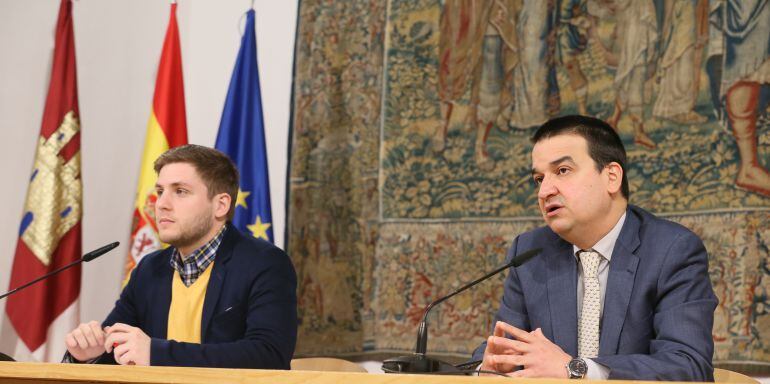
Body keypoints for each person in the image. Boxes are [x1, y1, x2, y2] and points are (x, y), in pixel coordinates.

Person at [472, 115, 717, 380]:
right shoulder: (531, 252)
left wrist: (575, 369)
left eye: (562, 171)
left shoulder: (672, 250)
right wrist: (487, 368)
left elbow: (688, 366)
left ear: (611, 176)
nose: (544, 191)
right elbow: (499, 349)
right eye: (539, 178)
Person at [63, 145, 297, 369]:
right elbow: (119, 352)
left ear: (221, 205)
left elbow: (269, 355)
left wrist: (156, 353)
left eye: (180, 191)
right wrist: (88, 354)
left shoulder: (264, 263)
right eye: (160, 192)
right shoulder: (149, 269)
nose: (161, 204)